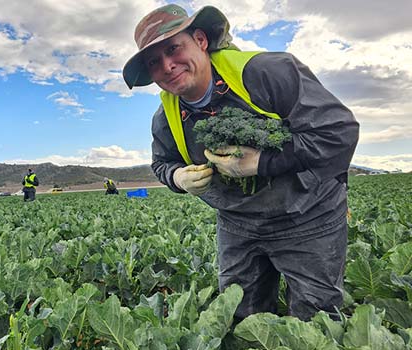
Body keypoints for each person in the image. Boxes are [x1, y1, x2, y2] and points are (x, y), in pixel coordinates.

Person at [123, 4, 359, 321]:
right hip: (238, 223)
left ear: (201, 40)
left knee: (315, 322)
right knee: (240, 318)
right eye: (154, 61)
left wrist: (262, 162)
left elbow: (338, 132)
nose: (167, 65)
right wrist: (178, 177)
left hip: (308, 214)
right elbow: (162, 163)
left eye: (174, 48)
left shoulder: (266, 73)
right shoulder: (165, 118)